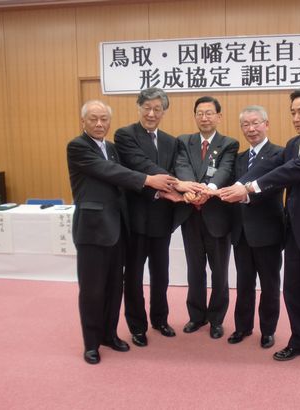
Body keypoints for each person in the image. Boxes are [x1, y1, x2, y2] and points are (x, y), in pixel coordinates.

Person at [219, 88, 300, 383]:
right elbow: (270, 165)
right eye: (293, 112)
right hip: (296, 233)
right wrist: (239, 183)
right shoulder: (293, 143)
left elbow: (290, 172)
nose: (297, 118)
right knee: (294, 293)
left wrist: (249, 189)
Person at [67, 100, 177, 365]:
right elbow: (111, 172)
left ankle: (109, 335)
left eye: (104, 119)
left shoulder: (113, 148)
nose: (99, 124)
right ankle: (91, 344)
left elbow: (126, 180)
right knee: (93, 290)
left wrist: (162, 191)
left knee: (115, 287)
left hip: (119, 229)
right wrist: (150, 180)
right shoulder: (78, 147)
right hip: (93, 230)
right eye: (93, 119)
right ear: (83, 121)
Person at [114, 88, 202, 347]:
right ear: (138, 107)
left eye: (157, 109)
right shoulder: (125, 135)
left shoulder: (170, 141)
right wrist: (178, 185)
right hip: (135, 219)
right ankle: (137, 326)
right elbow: (141, 165)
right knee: (133, 276)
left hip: (162, 219)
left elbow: (175, 168)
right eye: (147, 108)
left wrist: (181, 186)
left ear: (164, 111)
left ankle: (160, 320)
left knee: (160, 275)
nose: (152, 114)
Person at [174, 96, 239, 339]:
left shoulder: (228, 143)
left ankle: (216, 319)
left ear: (219, 117)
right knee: (194, 269)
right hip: (191, 215)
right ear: (195, 116)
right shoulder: (184, 141)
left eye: (209, 113)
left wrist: (208, 191)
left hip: (217, 217)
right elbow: (181, 167)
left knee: (220, 272)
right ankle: (196, 316)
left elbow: (225, 170)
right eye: (200, 113)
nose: (204, 117)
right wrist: (190, 189)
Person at [222, 105, 284, 349]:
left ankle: (268, 330)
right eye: (246, 124)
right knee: (244, 283)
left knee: (269, 285)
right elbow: (228, 189)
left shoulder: (279, 154)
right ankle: (243, 327)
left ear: (266, 124)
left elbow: (273, 186)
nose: (251, 129)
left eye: (256, 123)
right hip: (241, 233)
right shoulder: (238, 159)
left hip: (267, 231)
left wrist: (244, 194)